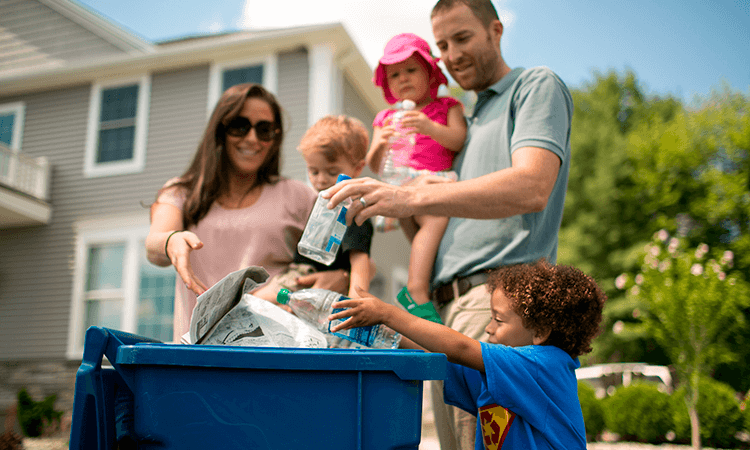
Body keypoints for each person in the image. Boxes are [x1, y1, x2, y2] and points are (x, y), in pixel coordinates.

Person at [325, 1, 574, 448]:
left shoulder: (534, 86)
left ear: (495, 31)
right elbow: (434, 223)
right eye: (442, 44)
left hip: (494, 303)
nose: (452, 53)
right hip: (442, 307)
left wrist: (411, 195)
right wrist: (394, 203)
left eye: (462, 37)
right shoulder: (463, 119)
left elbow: (534, 184)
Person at [145, 83, 348, 343]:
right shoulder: (182, 192)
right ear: (220, 131)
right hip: (198, 355)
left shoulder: (299, 196)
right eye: (240, 126)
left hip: (276, 353)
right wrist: (171, 239)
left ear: (275, 139)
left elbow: (354, 255)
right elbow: (154, 246)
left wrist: (341, 277)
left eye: (264, 130)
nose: (252, 138)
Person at [329, 260, 605, 450]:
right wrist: (380, 331)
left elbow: (460, 348)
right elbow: (437, 353)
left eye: (498, 319)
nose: (488, 327)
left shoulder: (544, 365)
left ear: (540, 331)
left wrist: (388, 313)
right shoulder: (499, 373)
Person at [368, 32, 466, 307]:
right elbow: (374, 165)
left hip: (431, 181)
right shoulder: (386, 118)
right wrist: (381, 145)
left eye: (411, 70)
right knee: (429, 231)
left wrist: (429, 127)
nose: (403, 78)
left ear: (430, 73)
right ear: (387, 84)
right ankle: (419, 291)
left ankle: (421, 290)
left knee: (429, 233)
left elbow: (458, 140)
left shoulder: (447, 107)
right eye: (395, 75)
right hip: (399, 187)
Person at [252, 115, 374, 301]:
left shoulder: (353, 211)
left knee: (255, 301)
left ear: (357, 168)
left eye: (332, 172)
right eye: (314, 171)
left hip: (308, 279)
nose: (321, 179)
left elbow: (360, 262)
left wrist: (355, 304)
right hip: (300, 277)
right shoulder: (319, 203)